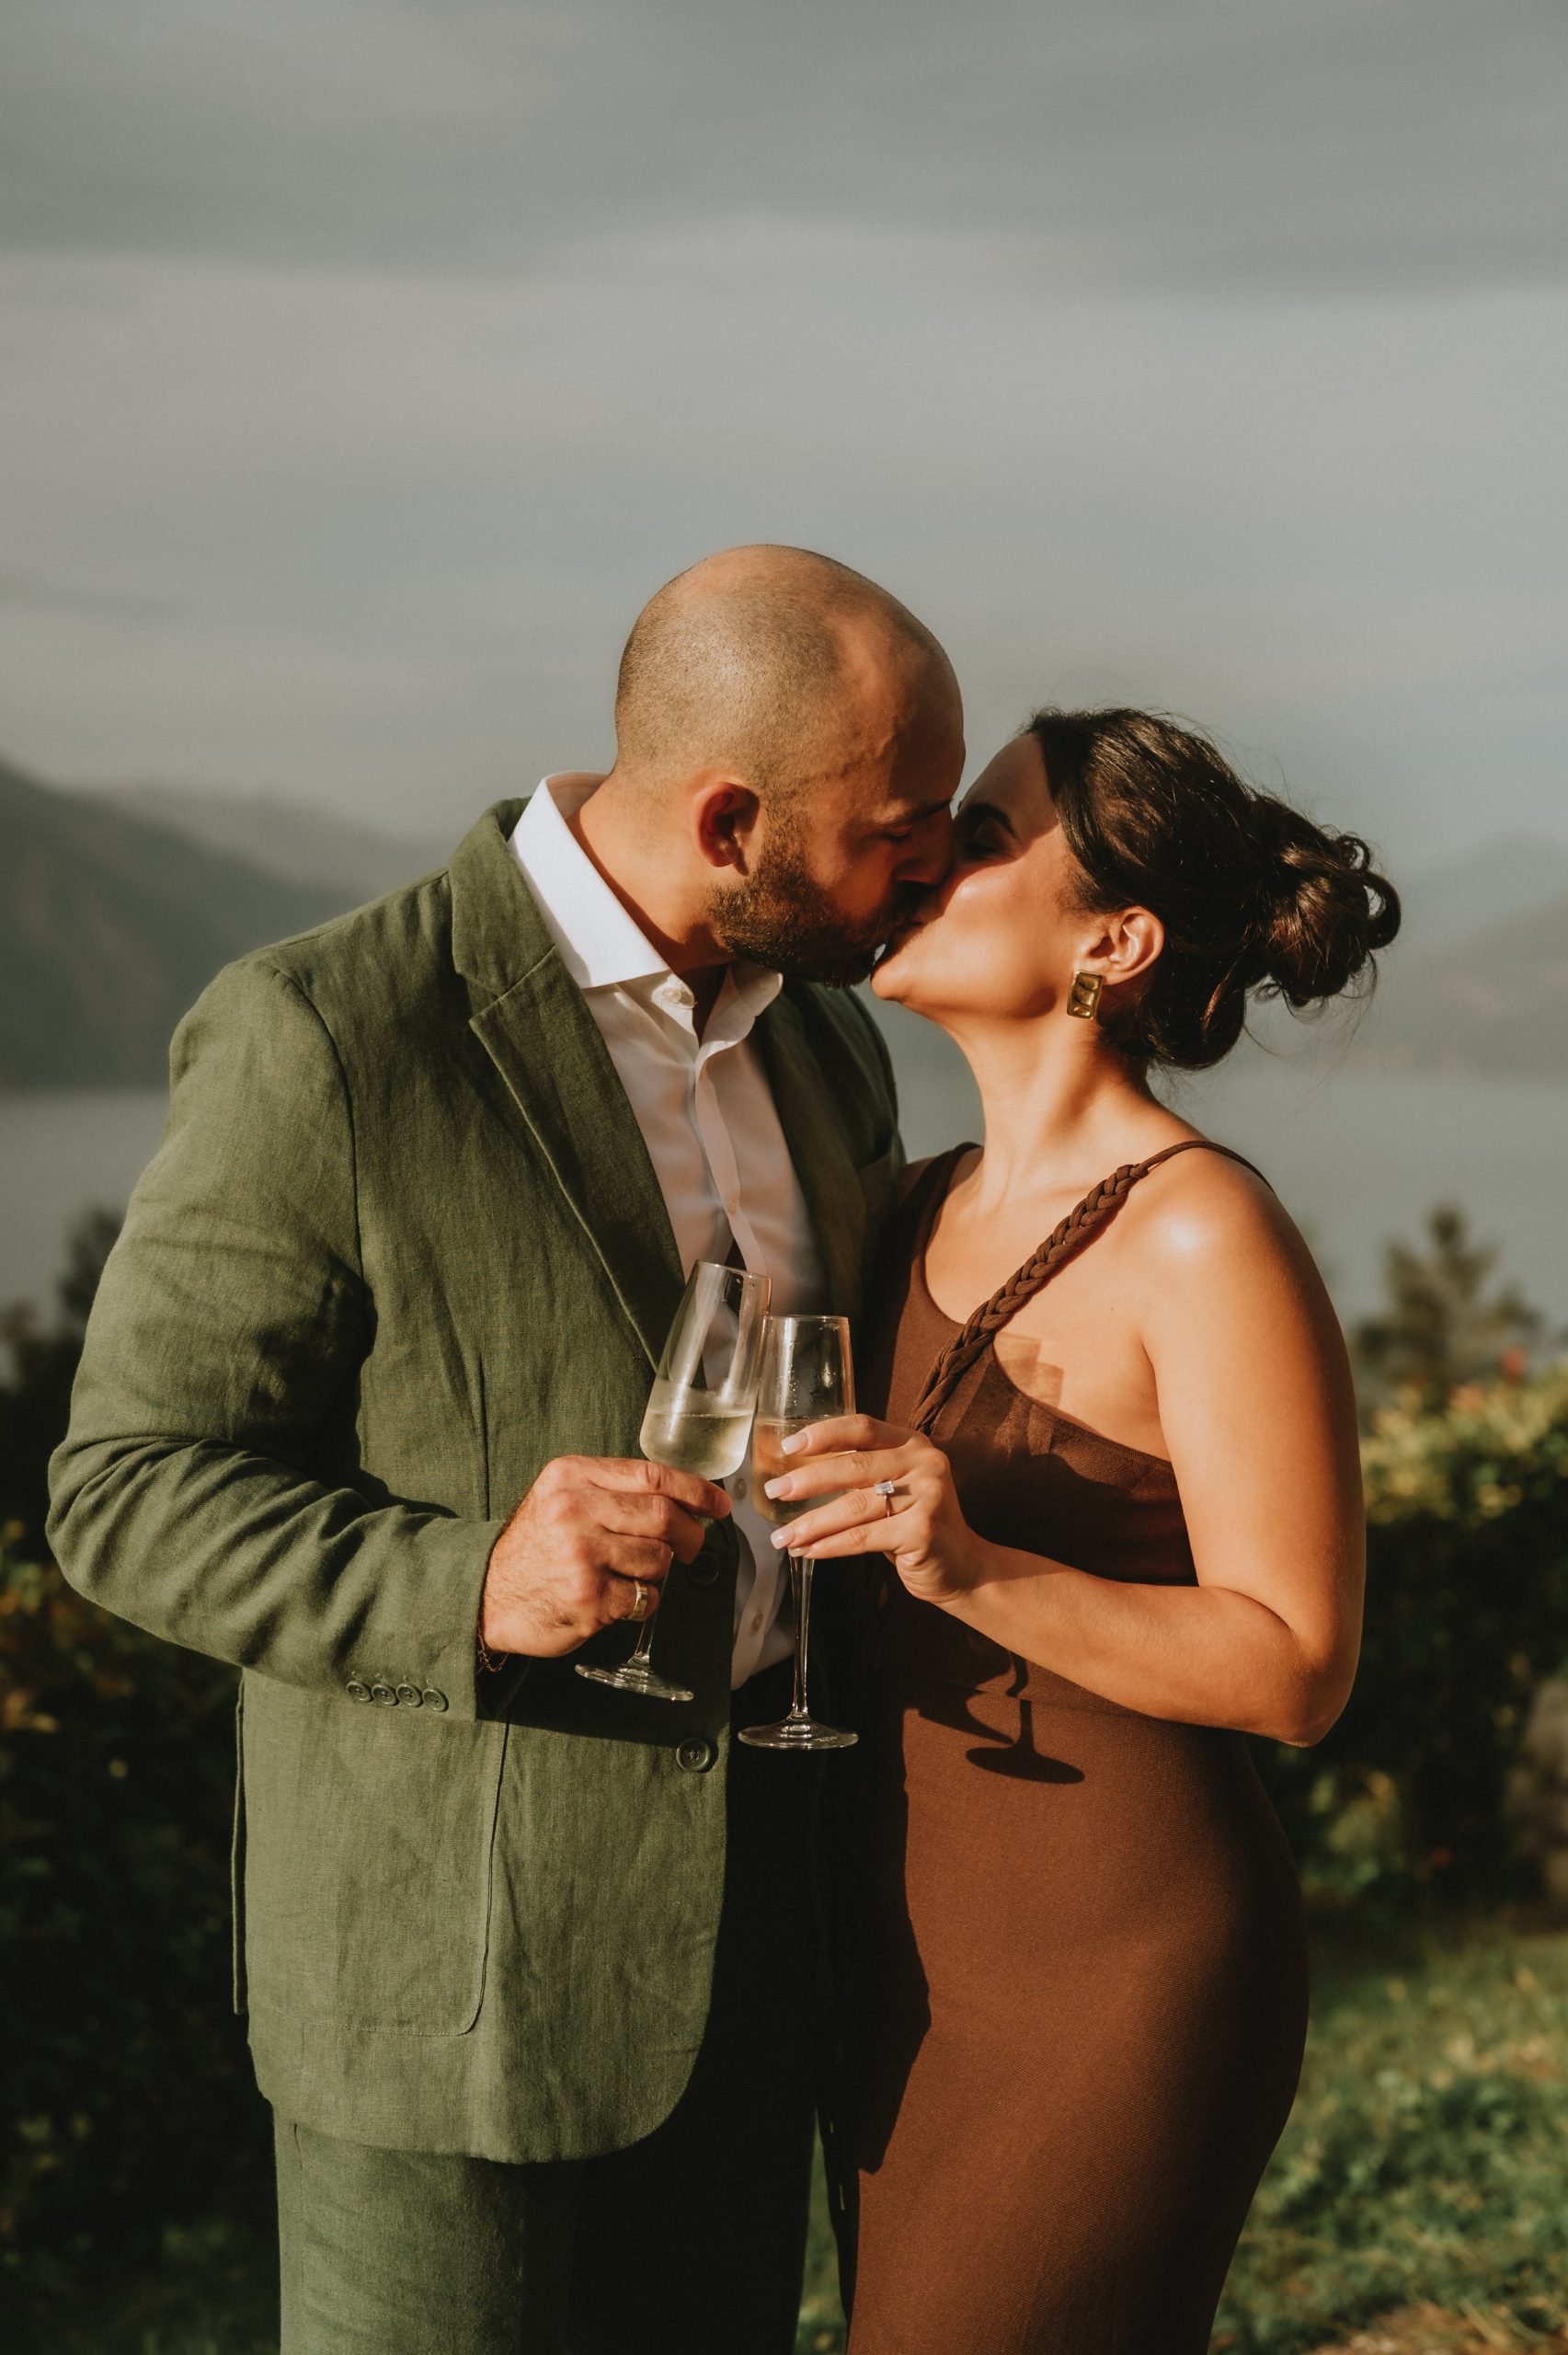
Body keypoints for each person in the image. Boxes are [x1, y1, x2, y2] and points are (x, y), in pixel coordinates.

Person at [47, 545, 965, 2355]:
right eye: (899, 825)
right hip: (443, 1985)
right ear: (727, 819)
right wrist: (474, 1576)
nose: (934, 868)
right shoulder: (331, 1030)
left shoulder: (834, 1048)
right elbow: (125, 1488)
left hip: (753, 1955)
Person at [763, 707, 1400, 2355]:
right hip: (899, 1959)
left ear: (1110, 939)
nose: (921, 859)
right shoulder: (904, 1199)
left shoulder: (1199, 1232)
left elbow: (1295, 1664)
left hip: (1114, 1969)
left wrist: (972, 1563)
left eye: (979, 840)